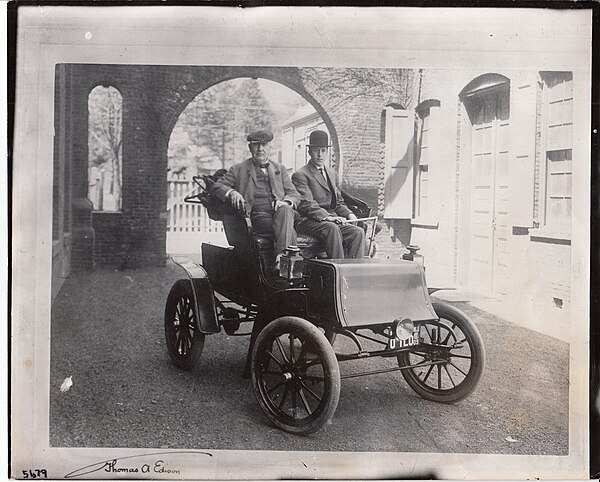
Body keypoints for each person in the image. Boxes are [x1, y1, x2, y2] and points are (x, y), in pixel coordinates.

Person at [211, 129, 300, 265]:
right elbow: (216, 187)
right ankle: (286, 261)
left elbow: (294, 194)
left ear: (270, 147)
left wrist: (286, 202)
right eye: (256, 145)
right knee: (289, 228)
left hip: (281, 214)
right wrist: (232, 192)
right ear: (250, 147)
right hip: (258, 217)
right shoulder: (238, 169)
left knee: (286, 211)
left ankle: (281, 260)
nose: (260, 149)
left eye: (264, 145)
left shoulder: (280, 169)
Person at [292, 130, 365, 259]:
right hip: (308, 220)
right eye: (316, 150)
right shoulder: (301, 175)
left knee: (358, 232)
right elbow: (307, 204)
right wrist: (328, 217)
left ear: (327, 151)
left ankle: (354, 271)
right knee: (332, 228)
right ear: (309, 152)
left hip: (331, 220)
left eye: (323, 150)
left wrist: (350, 214)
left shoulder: (331, 174)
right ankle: (339, 271)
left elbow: (338, 202)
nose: (320, 155)